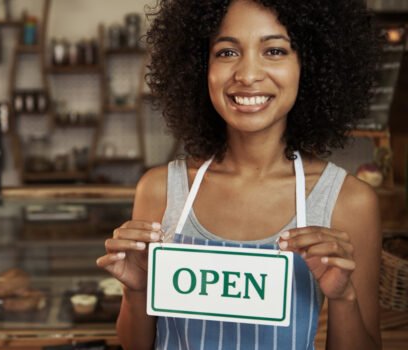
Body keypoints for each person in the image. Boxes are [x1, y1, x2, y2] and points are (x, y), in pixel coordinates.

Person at [96, 0, 382, 349]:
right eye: (227, 52)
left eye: (275, 50)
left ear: (311, 66)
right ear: (201, 66)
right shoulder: (160, 190)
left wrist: (343, 298)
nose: (247, 75)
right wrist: (136, 291)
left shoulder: (348, 202)